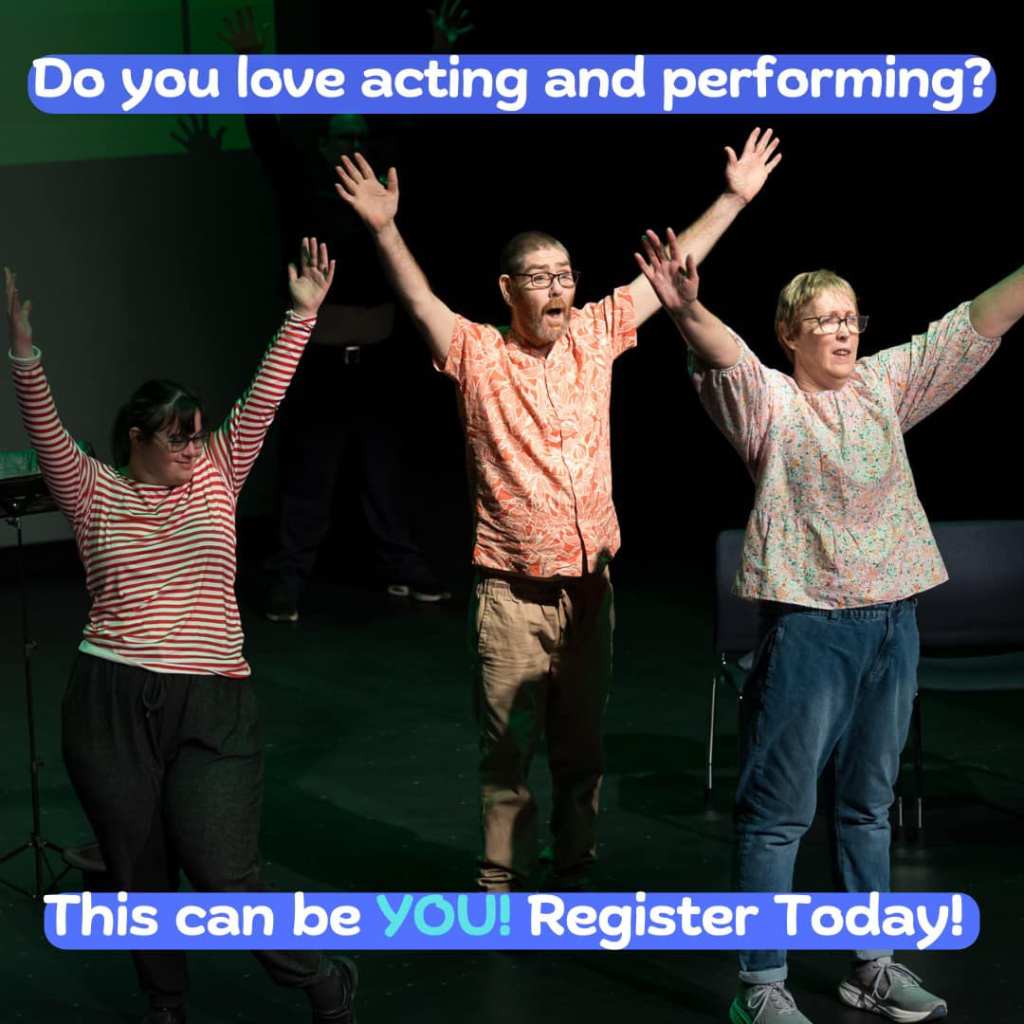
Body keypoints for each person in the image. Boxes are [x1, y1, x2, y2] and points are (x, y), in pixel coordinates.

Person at [334, 129, 781, 891]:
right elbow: (419, 301)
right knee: (508, 754)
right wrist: (384, 229)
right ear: (507, 289)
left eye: (565, 276)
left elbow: (667, 276)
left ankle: (574, 868)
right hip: (512, 596)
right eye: (539, 277)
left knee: (583, 751)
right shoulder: (477, 353)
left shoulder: (595, 336)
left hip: (590, 589)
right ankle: (500, 884)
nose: (557, 289)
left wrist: (734, 198)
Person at [634, 229, 1024, 1023]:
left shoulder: (884, 386)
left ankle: (871, 968)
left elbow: (971, 325)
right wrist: (685, 308)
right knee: (779, 811)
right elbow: (725, 356)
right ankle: (760, 984)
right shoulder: (771, 404)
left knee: (869, 804)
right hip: (812, 628)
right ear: (791, 334)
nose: (845, 332)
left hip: (893, 622)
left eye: (852, 318)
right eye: (827, 320)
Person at [4, 245, 358, 1024]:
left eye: (198, 434)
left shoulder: (220, 472)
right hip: (109, 696)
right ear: (138, 437)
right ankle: (165, 1002)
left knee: (222, 871)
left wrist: (302, 314)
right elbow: (47, 426)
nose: (195, 447)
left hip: (211, 700)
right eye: (179, 438)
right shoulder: (92, 490)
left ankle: (317, 975)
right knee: (139, 873)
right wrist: (24, 351)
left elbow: (263, 397)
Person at [219, 6, 448, 619]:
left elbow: (426, 124)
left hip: (380, 362)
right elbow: (266, 136)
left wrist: (438, 51)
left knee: (385, 473)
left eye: (360, 137)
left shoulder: (385, 194)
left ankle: (403, 566)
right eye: (342, 138)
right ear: (323, 145)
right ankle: (287, 581)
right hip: (318, 365)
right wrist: (248, 62)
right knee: (309, 477)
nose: (353, 146)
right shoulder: (304, 190)